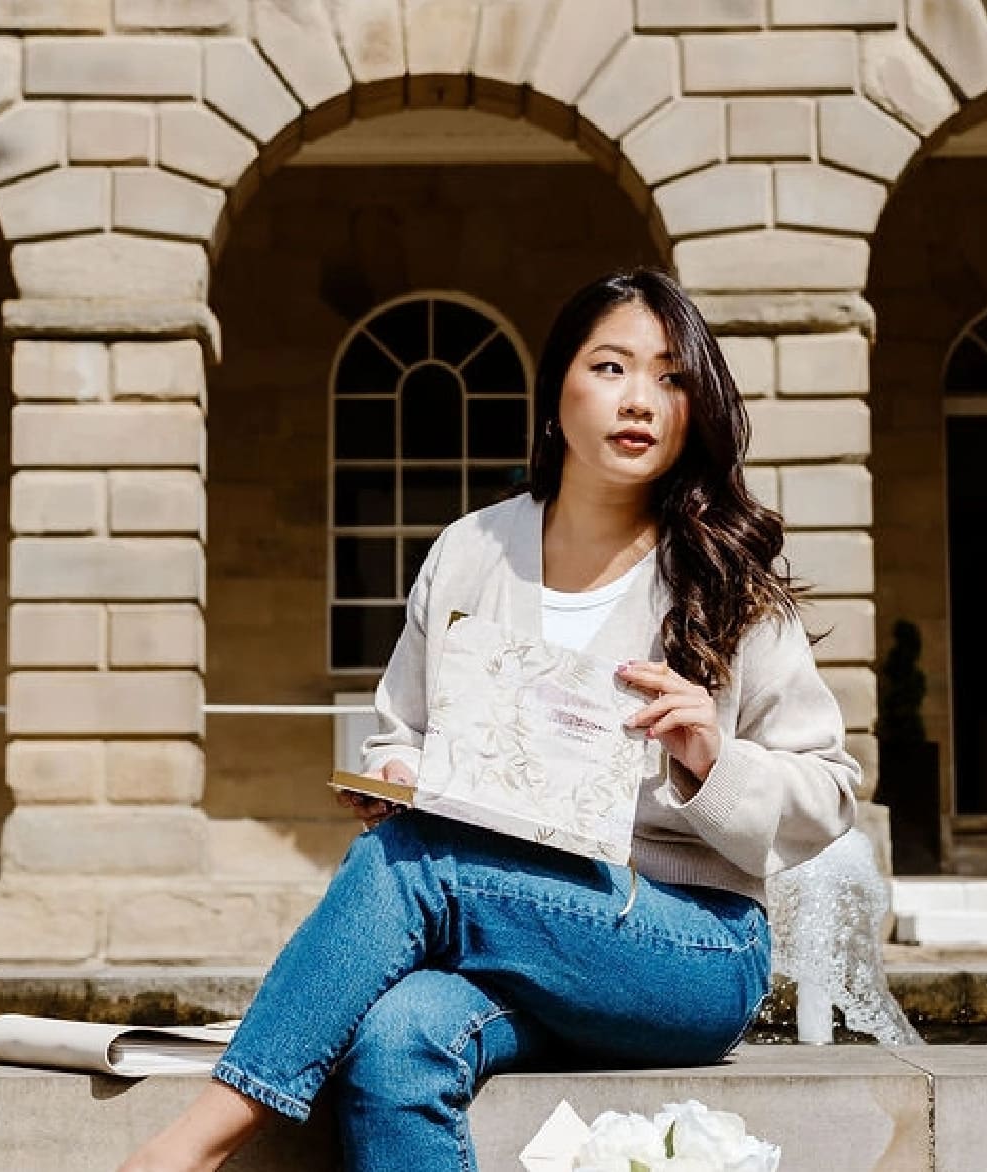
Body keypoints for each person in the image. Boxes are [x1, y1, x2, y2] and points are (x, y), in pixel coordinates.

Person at [115, 267, 858, 1172]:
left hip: (690, 947)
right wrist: (395, 774)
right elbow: (404, 731)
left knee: (416, 864)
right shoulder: (472, 551)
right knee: (395, 1037)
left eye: (671, 377)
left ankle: (186, 1149)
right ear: (557, 394)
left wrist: (710, 753)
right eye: (612, 368)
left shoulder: (725, 577)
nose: (642, 401)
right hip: (511, 943)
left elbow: (829, 795)